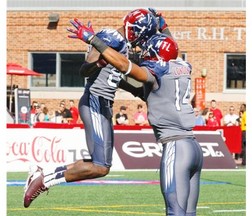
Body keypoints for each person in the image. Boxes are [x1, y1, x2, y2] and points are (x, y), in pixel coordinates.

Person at [23, 10, 158, 208]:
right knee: (100, 167)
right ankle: (44, 180)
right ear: (135, 30)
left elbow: (114, 78)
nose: (141, 41)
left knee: (100, 164)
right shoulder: (111, 37)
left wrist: (137, 91)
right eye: (142, 35)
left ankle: (42, 174)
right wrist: (99, 61)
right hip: (95, 100)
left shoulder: (122, 44)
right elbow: (84, 69)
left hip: (103, 103)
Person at [66, 21, 203, 215]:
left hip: (176, 147)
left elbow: (124, 65)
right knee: (189, 213)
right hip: (193, 146)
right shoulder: (183, 66)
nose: (143, 54)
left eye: (147, 51)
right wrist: (164, 27)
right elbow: (171, 48)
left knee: (176, 211)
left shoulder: (156, 74)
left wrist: (92, 39)